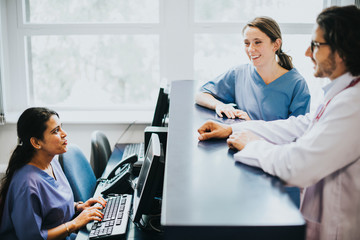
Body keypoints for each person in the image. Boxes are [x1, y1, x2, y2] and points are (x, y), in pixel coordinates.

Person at [197, 5, 360, 240]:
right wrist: (233, 128)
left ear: (342, 51)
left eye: (315, 45)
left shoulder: (351, 104)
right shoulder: (342, 94)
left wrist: (252, 145)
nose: (306, 52)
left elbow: (298, 166)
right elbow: (300, 124)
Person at [0, 107, 107, 240]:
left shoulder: (52, 162)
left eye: (61, 127)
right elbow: (32, 238)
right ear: (36, 142)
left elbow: (51, 207)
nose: (64, 134)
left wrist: (78, 207)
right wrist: (75, 223)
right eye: (56, 131)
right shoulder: (27, 185)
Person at [195, 16, 310, 121]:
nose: (250, 49)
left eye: (257, 42)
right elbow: (201, 95)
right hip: (240, 142)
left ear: (276, 45)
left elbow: (298, 132)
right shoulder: (239, 74)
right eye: (247, 43)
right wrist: (220, 105)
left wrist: (251, 125)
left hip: (274, 144)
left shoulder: (297, 84)